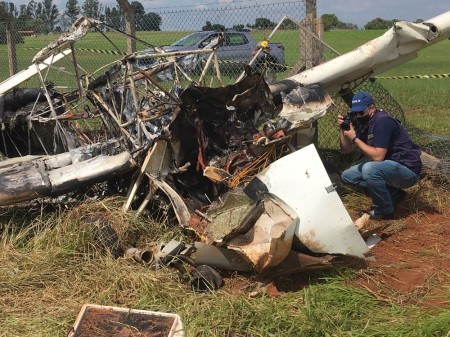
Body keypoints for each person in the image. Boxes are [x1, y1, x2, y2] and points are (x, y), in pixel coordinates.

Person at [338, 91, 422, 220]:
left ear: (372, 108)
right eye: (354, 113)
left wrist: (355, 138)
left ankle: (384, 210)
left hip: (408, 171)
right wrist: (343, 130)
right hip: (388, 167)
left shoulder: (383, 121)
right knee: (348, 176)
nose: (358, 116)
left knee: (369, 169)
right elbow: (346, 150)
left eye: (360, 112)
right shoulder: (363, 123)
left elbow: (378, 157)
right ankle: (394, 193)